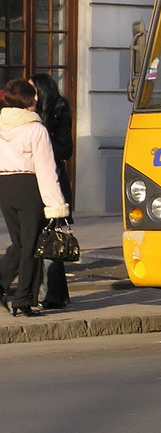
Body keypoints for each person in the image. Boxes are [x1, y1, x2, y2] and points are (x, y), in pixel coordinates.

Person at [0, 78, 69, 317]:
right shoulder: (35, 128)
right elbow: (46, 169)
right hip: (29, 187)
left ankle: (4, 286)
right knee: (31, 246)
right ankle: (24, 299)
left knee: (19, 244)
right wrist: (57, 206)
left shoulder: (1, 125)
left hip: (4, 186)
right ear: (30, 100)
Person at [30, 72, 74, 309]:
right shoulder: (31, 114)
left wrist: (41, 141)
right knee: (38, 240)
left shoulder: (57, 111)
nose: (30, 96)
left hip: (53, 183)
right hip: (34, 183)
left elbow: (66, 149)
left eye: (33, 90)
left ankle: (52, 295)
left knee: (50, 240)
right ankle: (51, 293)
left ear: (42, 91)